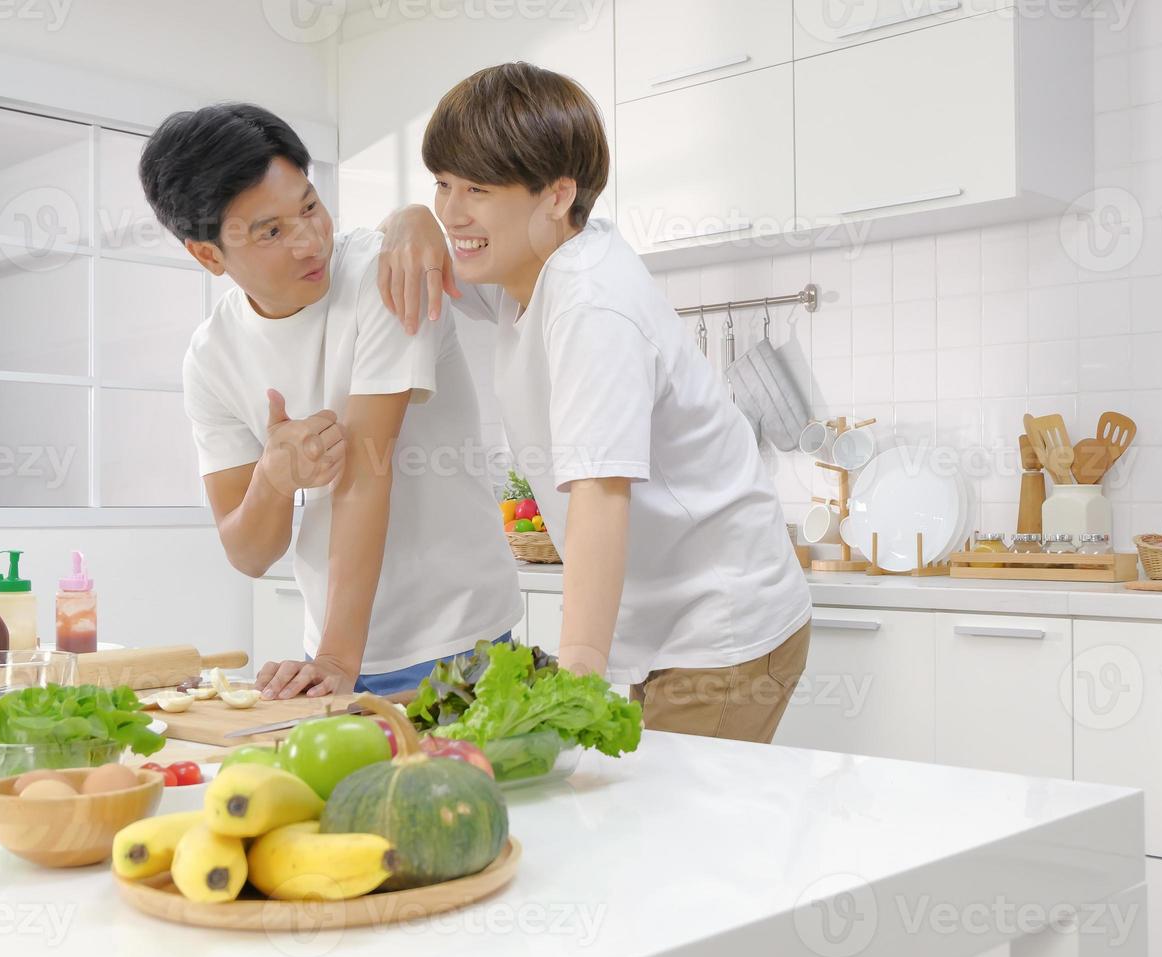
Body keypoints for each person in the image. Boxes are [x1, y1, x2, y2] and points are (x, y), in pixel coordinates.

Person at [380, 63, 812, 743]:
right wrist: (410, 217)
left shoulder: (592, 305)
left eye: (477, 190)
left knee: (684, 837)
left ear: (557, 195)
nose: (452, 210)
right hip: (672, 625)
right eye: (442, 183)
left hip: (720, 629)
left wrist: (575, 681)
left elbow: (601, 496)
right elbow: (442, 253)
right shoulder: (535, 265)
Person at [139, 103, 521, 700]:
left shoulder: (382, 274)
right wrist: (273, 478)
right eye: (270, 232)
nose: (310, 241)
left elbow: (366, 473)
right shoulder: (211, 357)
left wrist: (338, 660)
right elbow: (247, 552)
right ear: (209, 255)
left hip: (460, 645)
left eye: (311, 207)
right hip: (332, 653)